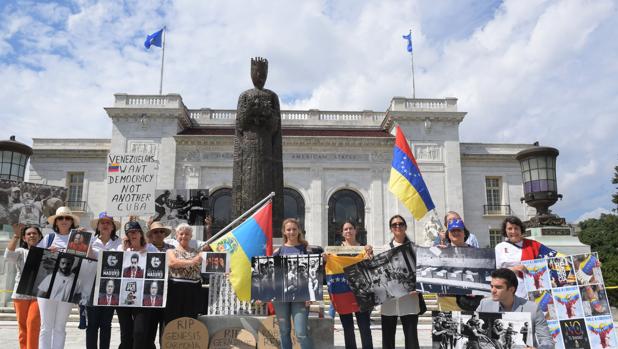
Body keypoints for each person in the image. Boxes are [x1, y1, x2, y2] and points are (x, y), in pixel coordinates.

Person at [36, 206, 81, 349]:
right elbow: (36, 259)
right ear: (55, 222)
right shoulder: (48, 238)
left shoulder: (79, 239)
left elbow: (85, 262)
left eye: (68, 218)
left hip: (68, 284)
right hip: (48, 284)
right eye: (60, 218)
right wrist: (47, 252)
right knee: (46, 326)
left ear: (72, 222)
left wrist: (85, 242)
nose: (64, 220)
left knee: (60, 327)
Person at [324, 220, 373, 349]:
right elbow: (328, 265)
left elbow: (371, 268)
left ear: (355, 230)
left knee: (365, 328)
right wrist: (325, 259)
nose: (348, 231)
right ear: (342, 232)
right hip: (342, 293)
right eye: (345, 229)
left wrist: (370, 254)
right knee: (348, 329)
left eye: (350, 228)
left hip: (361, 294)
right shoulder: (334, 250)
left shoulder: (364, 249)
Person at [476, 268, 553, 349]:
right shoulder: (484, 304)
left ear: (511, 289)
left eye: (498, 287)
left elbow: (547, 341)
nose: (493, 290)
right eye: (491, 286)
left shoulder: (532, 308)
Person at [380, 215, 425, 349]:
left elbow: (423, 272)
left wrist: (419, 287)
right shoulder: (383, 249)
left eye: (400, 224)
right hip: (389, 301)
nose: (397, 226)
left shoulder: (416, 249)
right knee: (387, 339)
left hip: (410, 299)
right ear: (390, 229)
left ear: (405, 227)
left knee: (411, 338)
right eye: (394, 225)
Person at [115, 220, 159, 349]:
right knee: (126, 333)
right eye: (129, 233)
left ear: (140, 233)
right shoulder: (121, 248)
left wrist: (148, 256)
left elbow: (161, 264)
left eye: (135, 232)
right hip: (124, 296)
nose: (132, 235)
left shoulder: (150, 248)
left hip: (143, 296)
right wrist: (123, 251)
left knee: (139, 332)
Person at [273, 218, 313, 349]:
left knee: (301, 333)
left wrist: (310, 295)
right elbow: (271, 276)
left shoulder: (306, 249)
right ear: (284, 232)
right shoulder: (278, 252)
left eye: (294, 229)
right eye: (288, 229)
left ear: (299, 231)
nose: (291, 232)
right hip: (281, 297)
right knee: (284, 331)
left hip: (301, 297)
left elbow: (313, 274)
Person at [494, 216, 557, 298]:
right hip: (508, 291)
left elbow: (554, 256)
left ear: (521, 230)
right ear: (505, 231)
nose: (513, 231)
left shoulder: (533, 245)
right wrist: (515, 269)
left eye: (516, 228)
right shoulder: (499, 247)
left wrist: (576, 262)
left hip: (532, 290)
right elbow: (497, 273)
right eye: (510, 228)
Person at [5, 223, 43, 349]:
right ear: (24, 238)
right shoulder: (21, 251)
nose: (32, 235)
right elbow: (8, 256)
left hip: (38, 295)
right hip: (20, 294)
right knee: (23, 327)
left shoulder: (46, 252)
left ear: (39, 236)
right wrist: (16, 235)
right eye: (28, 234)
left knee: (33, 324)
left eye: (34, 233)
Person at [87, 212, 122, 349]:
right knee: (92, 324)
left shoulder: (119, 242)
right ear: (98, 226)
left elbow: (119, 258)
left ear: (113, 227)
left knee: (106, 324)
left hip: (111, 285)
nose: (105, 225)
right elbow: (88, 256)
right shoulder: (91, 240)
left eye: (108, 223)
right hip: (93, 284)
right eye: (103, 222)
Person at [165, 223, 203, 322]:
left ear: (191, 236)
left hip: (193, 290)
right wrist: (192, 261)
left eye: (187, 234)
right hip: (175, 289)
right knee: (173, 318)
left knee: (190, 319)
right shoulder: (171, 251)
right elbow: (173, 262)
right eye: (181, 234)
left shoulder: (197, 252)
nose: (184, 236)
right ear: (177, 235)